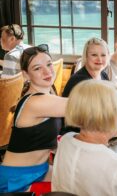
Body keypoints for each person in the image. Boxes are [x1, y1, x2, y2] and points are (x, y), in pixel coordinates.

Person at [0, 44, 67, 192]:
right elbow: (86, 105)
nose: (47, 71)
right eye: (37, 68)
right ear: (25, 75)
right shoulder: (35, 102)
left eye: (49, 64)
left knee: (82, 179)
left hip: (38, 170)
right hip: (17, 181)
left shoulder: (48, 95)